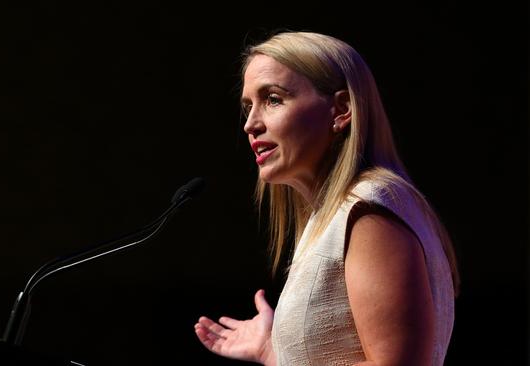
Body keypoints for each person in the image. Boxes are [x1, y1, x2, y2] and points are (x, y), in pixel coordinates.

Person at [193, 31, 459, 366]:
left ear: (341, 109)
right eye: (248, 107)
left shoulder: (369, 209)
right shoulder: (337, 216)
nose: (250, 124)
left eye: (273, 99)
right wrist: (272, 353)